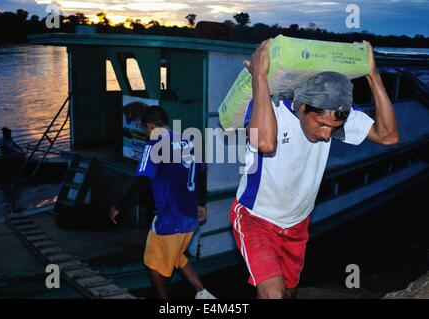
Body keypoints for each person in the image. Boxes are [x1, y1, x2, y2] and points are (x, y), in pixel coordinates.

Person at [230, 39, 399, 299]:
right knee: (272, 293)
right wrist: (260, 76)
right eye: (320, 124)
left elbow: (388, 136)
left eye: (332, 128)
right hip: (256, 218)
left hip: (297, 223)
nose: (325, 134)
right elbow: (264, 143)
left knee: (289, 291)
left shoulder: (333, 118)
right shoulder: (269, 108)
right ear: (301, 106)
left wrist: (373, 75)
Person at [109, 106, 215, 299]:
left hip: (170, 219)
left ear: (149, 126)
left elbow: (143, 181)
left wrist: (119, 206)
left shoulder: (153, 145)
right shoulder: (187, 139)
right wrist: (202, 203)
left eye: (144, 129)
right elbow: (201, 171)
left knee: (152, 263)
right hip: (190, 217)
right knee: (177, 256)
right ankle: (203, 293)